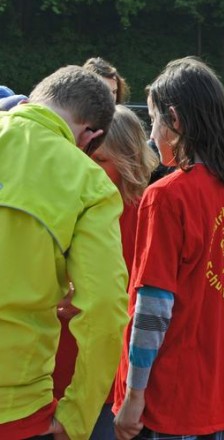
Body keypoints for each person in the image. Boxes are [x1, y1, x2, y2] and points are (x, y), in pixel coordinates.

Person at [114, 57, 224, 440]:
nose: (151, 130)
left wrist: (133, 394)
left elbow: (153, 308)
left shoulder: (166, 196)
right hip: (215, 395)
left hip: (166, 399)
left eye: (154, 119)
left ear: (174, 120)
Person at [0, 66, 129, 439]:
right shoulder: (90, 182)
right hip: (16, 408)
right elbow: (105, 308)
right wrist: (78, 413)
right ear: (92, 136)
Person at [53, 105, 158, 439]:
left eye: (101, 161)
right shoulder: (69, 201)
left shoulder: (150, 210)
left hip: (118, 362)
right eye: (86, 157)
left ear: (130, 160)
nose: (90, 168)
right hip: (63, 355)